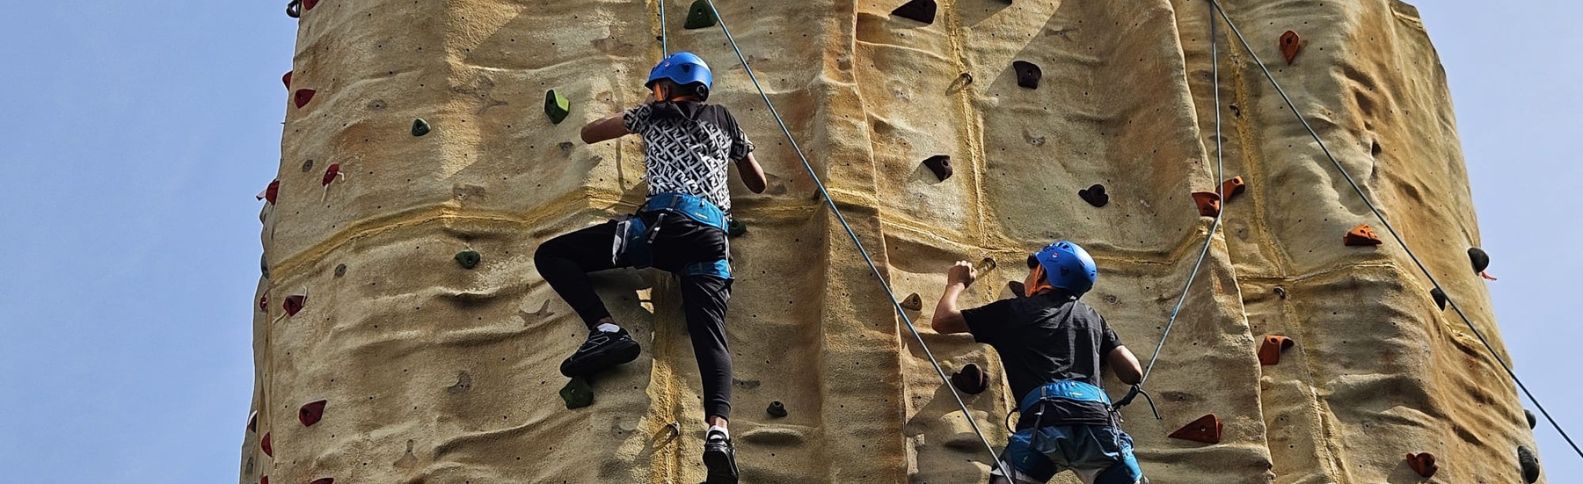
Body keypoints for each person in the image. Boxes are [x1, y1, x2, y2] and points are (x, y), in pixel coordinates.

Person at [533, 51, 766, 483]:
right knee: (710, 338)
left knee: (552, 254)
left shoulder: (651, 115)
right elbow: (758, 181)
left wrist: (641, 114)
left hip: (659, 229)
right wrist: (737, 149)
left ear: (668, 87)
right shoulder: (725, 118)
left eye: (657, 87)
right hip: (712, 241)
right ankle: (718, 433)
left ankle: (605, 330)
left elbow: (588, 133)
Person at [930, 241, 1147, 484]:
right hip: (1100, 428)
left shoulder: (1013, 311)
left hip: (1045, 425)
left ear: (1042, 272)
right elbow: (1133, 373)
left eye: (1032, 270)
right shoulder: (1091, 316)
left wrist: (956, 283)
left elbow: (943, 321)